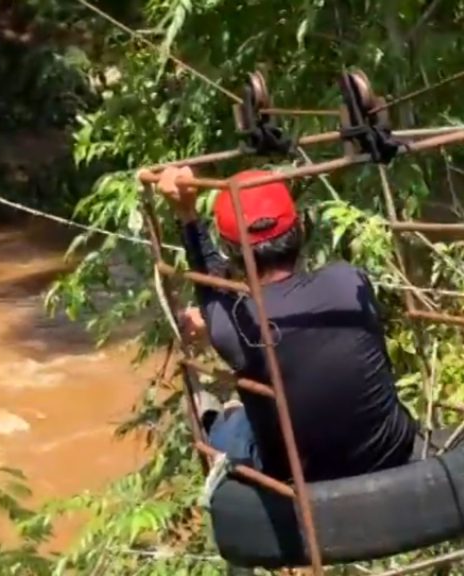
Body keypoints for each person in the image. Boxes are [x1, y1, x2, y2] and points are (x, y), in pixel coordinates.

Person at [152, 165, 418, 482]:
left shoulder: (230, 326)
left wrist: (187, 214)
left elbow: (215, 292)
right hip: (394, 453)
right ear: (301, 228)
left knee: (230, 430)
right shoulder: (349, 280)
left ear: (229, 252)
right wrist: (217, 320)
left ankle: (221, 415)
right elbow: (239, 307)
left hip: (304, 485)